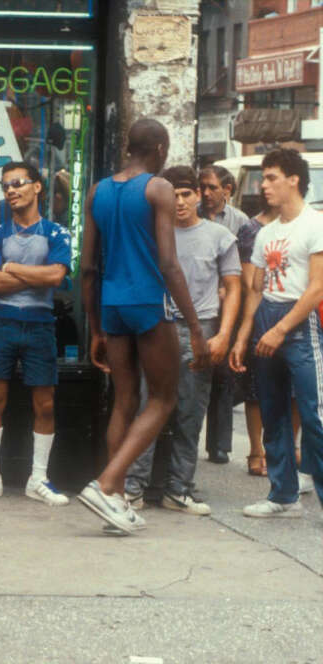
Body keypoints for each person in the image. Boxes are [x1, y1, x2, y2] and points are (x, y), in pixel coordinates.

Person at [78, 118, 208, 535]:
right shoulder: (158, 187)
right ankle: (107, 484)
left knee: (125, 400)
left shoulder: (98, 190)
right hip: (148, 302)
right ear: (159, 149)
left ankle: (115, 503)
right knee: (164, 398)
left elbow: (86, 268)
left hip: (111, 304)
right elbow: (169, 263)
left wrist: (95, 328)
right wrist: (196, 327)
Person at [124, 166, 241, 516]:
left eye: (186, 194)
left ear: (198, 196)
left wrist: (223, 333)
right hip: (158, 326)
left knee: (190, 413)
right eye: (173, 195)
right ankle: (133, 488)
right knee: (149, 409)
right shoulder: (153, 235)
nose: (180, 202)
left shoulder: (219, 236)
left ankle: (178, 489)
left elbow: (235, 288)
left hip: (201, 331)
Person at [0, 161, 71, 508]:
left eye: (18, 183)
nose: (10, 190)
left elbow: (56, 278)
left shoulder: (57, 233)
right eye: (6, 186)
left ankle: (38, 478)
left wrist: (10, 267)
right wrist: (34, 274)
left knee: (46, 402)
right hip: (2, 323)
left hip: (40, 324)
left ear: (37, 187)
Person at [230, 148, 323, 517]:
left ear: (293, 180)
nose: (264, 185)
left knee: (314, 415)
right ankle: (282, 494)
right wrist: (243, 336)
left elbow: (316, 288)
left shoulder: (315, 224)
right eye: (264, 177)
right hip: (266, 316)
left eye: (271, 177)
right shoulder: (266, 233)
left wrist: (282, 329)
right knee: (273, 413)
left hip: (299, 322)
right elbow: (255, 288)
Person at [199, 165, 250, 464]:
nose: (206, 193)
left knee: (224, 376)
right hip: (197, 303)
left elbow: (243, 268)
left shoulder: (240, 222)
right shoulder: (190, 213)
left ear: (227, 190)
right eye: (202, 187)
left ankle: (219, 445)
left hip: (226, 304)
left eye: (212, 187)